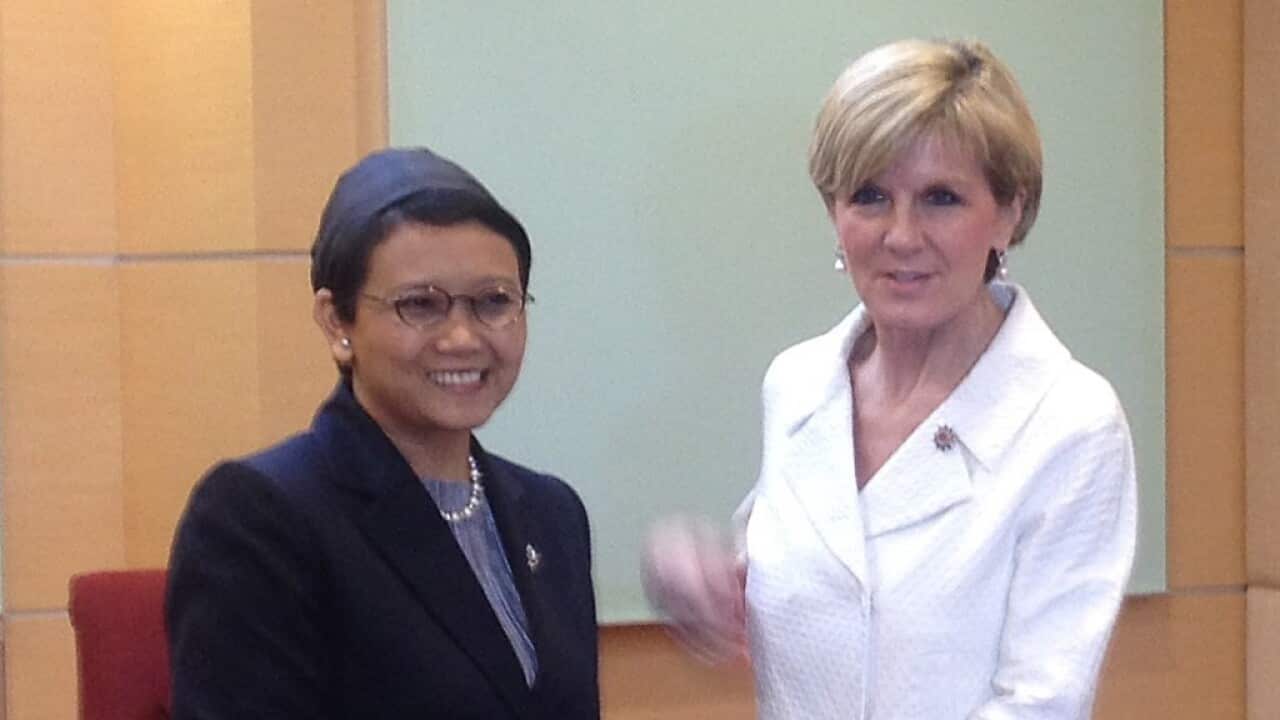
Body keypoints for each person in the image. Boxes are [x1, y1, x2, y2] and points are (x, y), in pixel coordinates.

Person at [644, 39, 1137, 719]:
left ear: (1009, 212)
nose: (901, 236)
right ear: (833, 212)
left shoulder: (1072, 422)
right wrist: (693, 574)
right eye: (871, 196)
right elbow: (808, 587)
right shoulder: (797, 383)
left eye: (941, 199)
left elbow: (1041, 704)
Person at [167, 147, 600, 719]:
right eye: (421, 305)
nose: (464, 338)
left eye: (494, 302)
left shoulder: (553, 513)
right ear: (337, 322)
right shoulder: (259, 516)